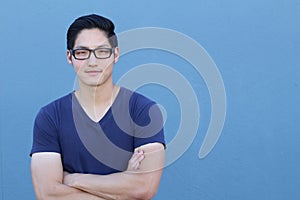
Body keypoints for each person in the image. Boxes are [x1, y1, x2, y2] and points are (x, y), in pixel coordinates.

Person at [30, 14, 165, 200]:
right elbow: (48, 194)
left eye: (102, 51)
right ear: (70, 57)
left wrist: (73, 179)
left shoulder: (143, 111)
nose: (92, 62)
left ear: (115, 54)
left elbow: (144, 188)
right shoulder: (51, 116)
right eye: (82, 52)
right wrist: (124, 183)